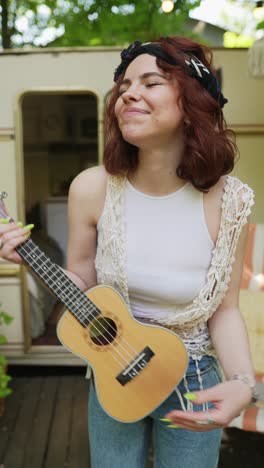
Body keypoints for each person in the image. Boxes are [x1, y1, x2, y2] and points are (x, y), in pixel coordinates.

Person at [0, 36, 257, 468]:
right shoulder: (91, 187)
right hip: (113, 373)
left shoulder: (231, 201)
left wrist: (243, 383)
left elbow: (226, 309)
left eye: (150, 82)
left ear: (191, 104)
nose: (128, 93)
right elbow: (81, 283)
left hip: (193, 378)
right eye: (123, 86)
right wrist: (30, 260)